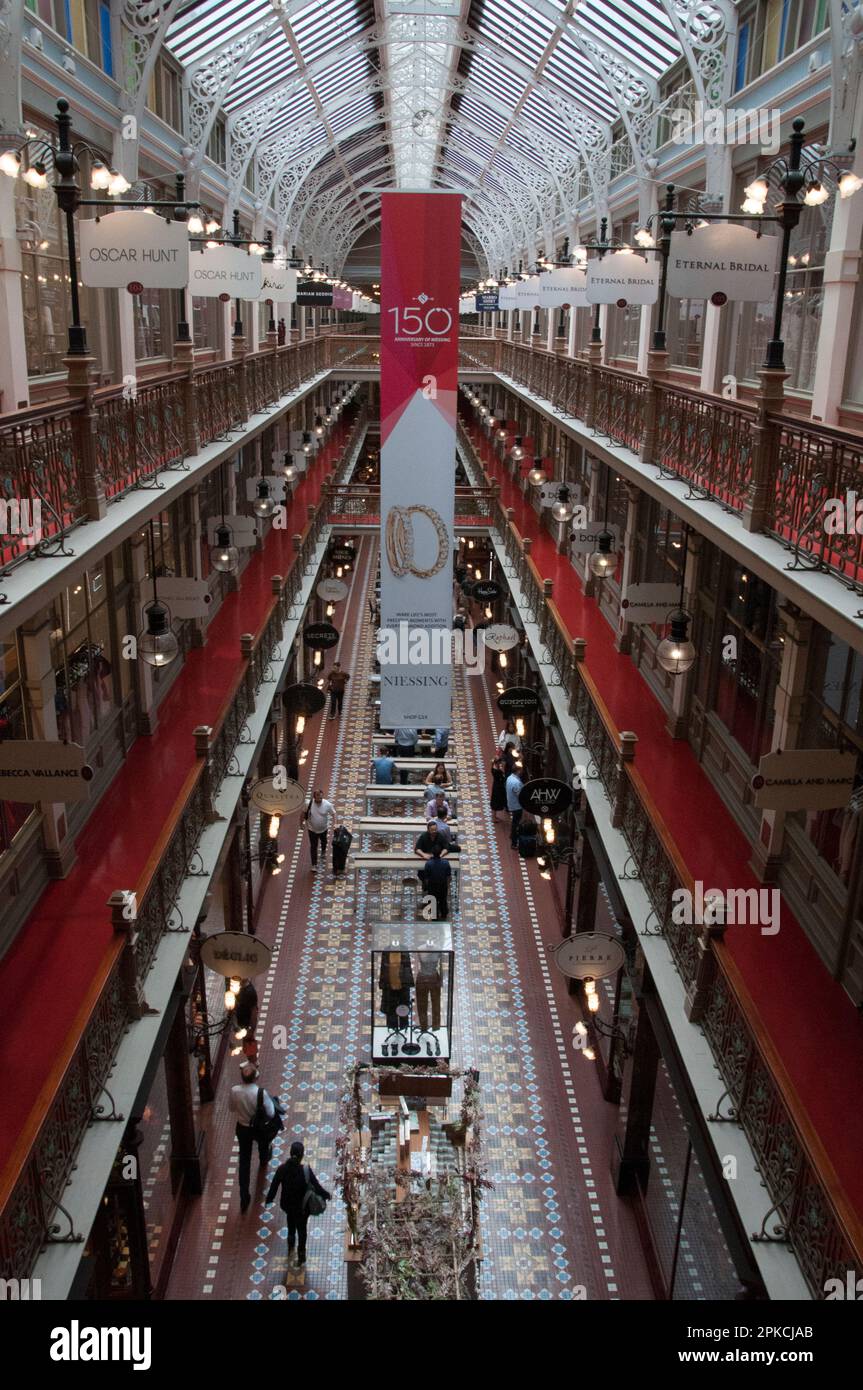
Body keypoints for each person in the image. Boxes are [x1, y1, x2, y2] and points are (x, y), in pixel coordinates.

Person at [265, 1140, 331, 1268]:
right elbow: (316, 1187)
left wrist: (269, 1199)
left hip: (288, 1206)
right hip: (302, 1208)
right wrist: (326, 1195)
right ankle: (301, 1255)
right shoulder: (305, 1170)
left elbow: (274, 1186)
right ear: (302, 1155)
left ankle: (290, 1245)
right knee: (302, 1230)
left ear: (290, 1153)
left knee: (290, 1224)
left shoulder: (282, 1169)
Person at [229, 1062, 276, 1214]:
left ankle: (244, 1196)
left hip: (242, 1128)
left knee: (244, 1160)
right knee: (263, 1144)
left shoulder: (235, 1091)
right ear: (255, 1077)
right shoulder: (260, 1093)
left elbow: (231, 1108)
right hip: (258, 1127)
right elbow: (271, 1112)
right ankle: (264, 1158)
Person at [304, 787, 335, 870]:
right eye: (318, 797)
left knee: (324, 841)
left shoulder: (327, 804)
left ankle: (323, 851)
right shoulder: (308, 803)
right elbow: (303, 813)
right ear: (314, 797)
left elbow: (333, 814)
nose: (320, 799)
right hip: (312, 830)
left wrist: (335, 824)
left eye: (321, 797)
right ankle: (314, 864)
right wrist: (301, 824)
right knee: (313, 846)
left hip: (324, 829)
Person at [419, 843, 451, 920]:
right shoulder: (446, 863)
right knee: (443, 900)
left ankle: (435, 917)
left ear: (432, 853)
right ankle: (444, 915)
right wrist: (447, 885)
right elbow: (449, 876)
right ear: (440, 853)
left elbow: (426, 878)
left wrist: (427, 886)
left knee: (433, 901)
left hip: (432, 886)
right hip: (443, 885)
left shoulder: (428, 864)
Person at [234, 978, 259, 1062]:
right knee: (246, 1042)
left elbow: (254, 1011)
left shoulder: (250, 992)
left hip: (247, 1024)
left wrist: (251, 1028)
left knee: (249, 1043)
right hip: (243, 1022)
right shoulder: (240, 988)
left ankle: (253, 1062)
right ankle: (251, 1060)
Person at [506, 766, 524, 849]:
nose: (521, 772)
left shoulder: (509, 777)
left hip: (511, 803)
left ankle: (512, 835)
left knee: (514, 821)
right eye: (520, 770)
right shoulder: (516, 782)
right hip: (517, 806)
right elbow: (520, 795)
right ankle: (514, 842)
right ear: (517, 771)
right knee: (515, 823)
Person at [490, 753, 508, 822]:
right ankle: (494, 818)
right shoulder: (496, 771)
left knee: (495, 801)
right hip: (498, 787)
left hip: (496, 785)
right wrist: (502, 772)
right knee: (495, 801)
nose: (500, 763)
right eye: (499, 762)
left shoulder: (494, 767)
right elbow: (502, 778)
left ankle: (494, 816)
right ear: (497, 762)